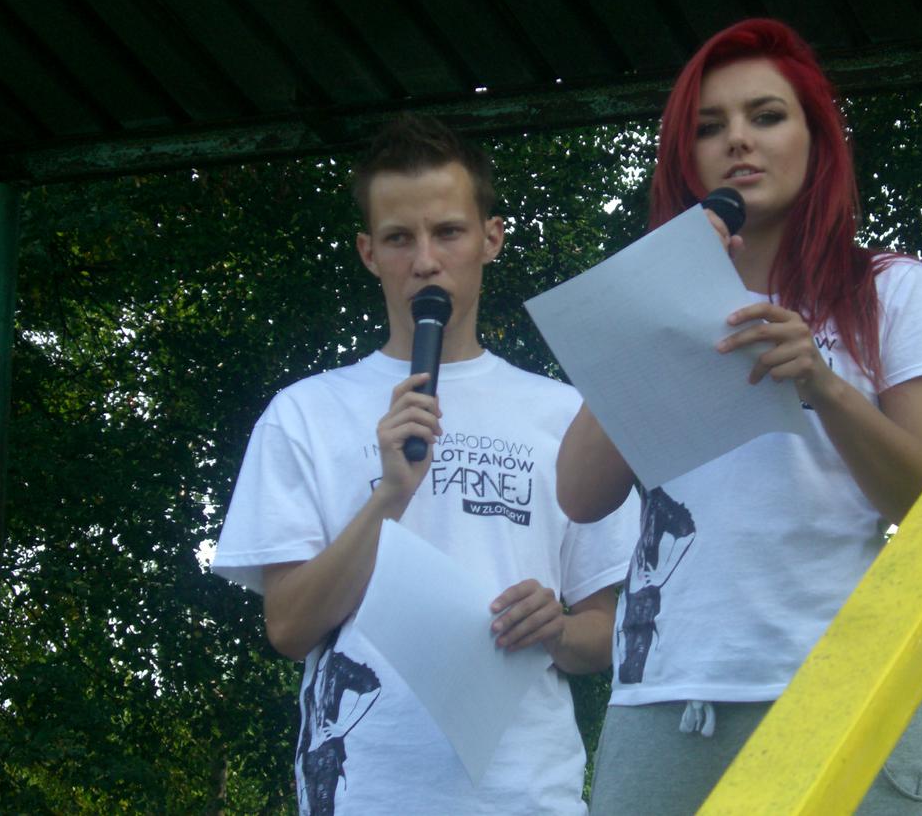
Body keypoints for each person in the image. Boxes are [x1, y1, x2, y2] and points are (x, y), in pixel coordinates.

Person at [557, 18, 922, 814]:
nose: (738, 141)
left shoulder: (890, 288)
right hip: (664, 695)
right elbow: (579, 494)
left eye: (767, 116)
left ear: (816, 138)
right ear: (686, 159)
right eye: (709, 127)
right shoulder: (653, 300)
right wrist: (653, 305)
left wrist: (822, 382)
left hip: (844, 685)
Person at [212, 114, 637, 815]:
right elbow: (288, 628)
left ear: (491, 238)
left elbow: (611, 629)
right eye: (399, 238)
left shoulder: (563, 413)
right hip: (362, 791)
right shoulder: (305, 412)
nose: (425, 260)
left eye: (448, 232)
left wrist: (556, 629)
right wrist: (388, 496)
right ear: (368, 252)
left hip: (524, 796)